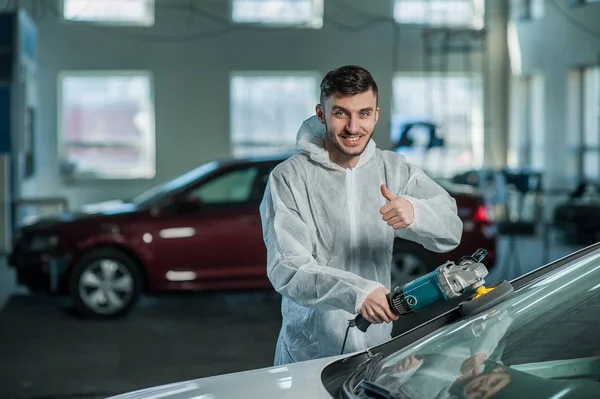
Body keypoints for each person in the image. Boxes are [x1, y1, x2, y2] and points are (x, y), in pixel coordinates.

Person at [259, 65, 463, 366]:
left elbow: (451, 231)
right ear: (320, 113)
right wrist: (360, 292)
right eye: (341, 113)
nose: (354, 127)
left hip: (377, 347)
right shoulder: (289, 177)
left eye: (364, 113)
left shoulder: (393, 170)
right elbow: (287, 268)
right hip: (309, 353)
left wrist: (416, 212)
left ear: (376, 115)